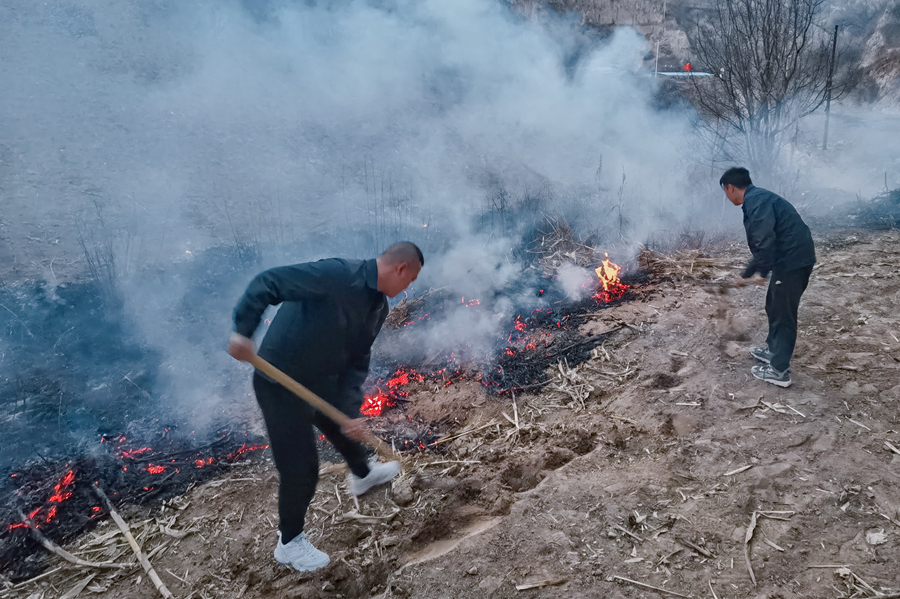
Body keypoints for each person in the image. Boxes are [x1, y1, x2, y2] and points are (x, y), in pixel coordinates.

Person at [227, 242, 424, 572]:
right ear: (400, 269)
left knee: (343, 424)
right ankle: (289, 543)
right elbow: (268, 282)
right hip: (281, 383)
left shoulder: (377, 308)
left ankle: (362, 475)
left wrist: (349, 408)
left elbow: (358, 360)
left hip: (321, 381)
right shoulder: (336, 275)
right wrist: (243, 331)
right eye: (410, 280)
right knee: (301, 468)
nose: (408, 287)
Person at [720, 167, 816, 388]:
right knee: (773, 305)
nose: (727, 196)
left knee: (783, 313)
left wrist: (761, 272)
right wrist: (746, 274)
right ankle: (774, 351)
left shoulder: (757, 202)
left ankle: (779, 371)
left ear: (730, 187)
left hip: (793, 262)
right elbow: (764, 244)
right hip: (789, 260)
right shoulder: (758, 198)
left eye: (726, 192)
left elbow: (765, 241)